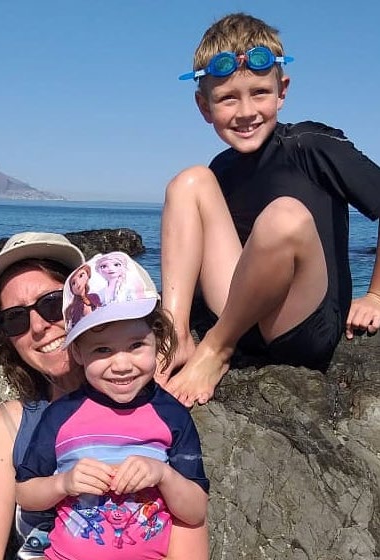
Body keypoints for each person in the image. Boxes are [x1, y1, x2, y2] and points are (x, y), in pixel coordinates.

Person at [156, 12, 380, 408]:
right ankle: (176, 337)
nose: (246, 112)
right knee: (188, 181)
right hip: (241, 318)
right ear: (204, 106)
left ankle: (215, 350)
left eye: (259, 92)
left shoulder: (312, 144)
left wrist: (376, 295)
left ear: (282, 90)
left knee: (285, 216)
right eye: (227, 98)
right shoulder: (220, 169)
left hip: (302, 325)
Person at [0, 232, 209, 560]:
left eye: (50, 304)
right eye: (15, 318)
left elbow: (190, 519)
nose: (37, 327)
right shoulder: (6, 426)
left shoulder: (163, 415)